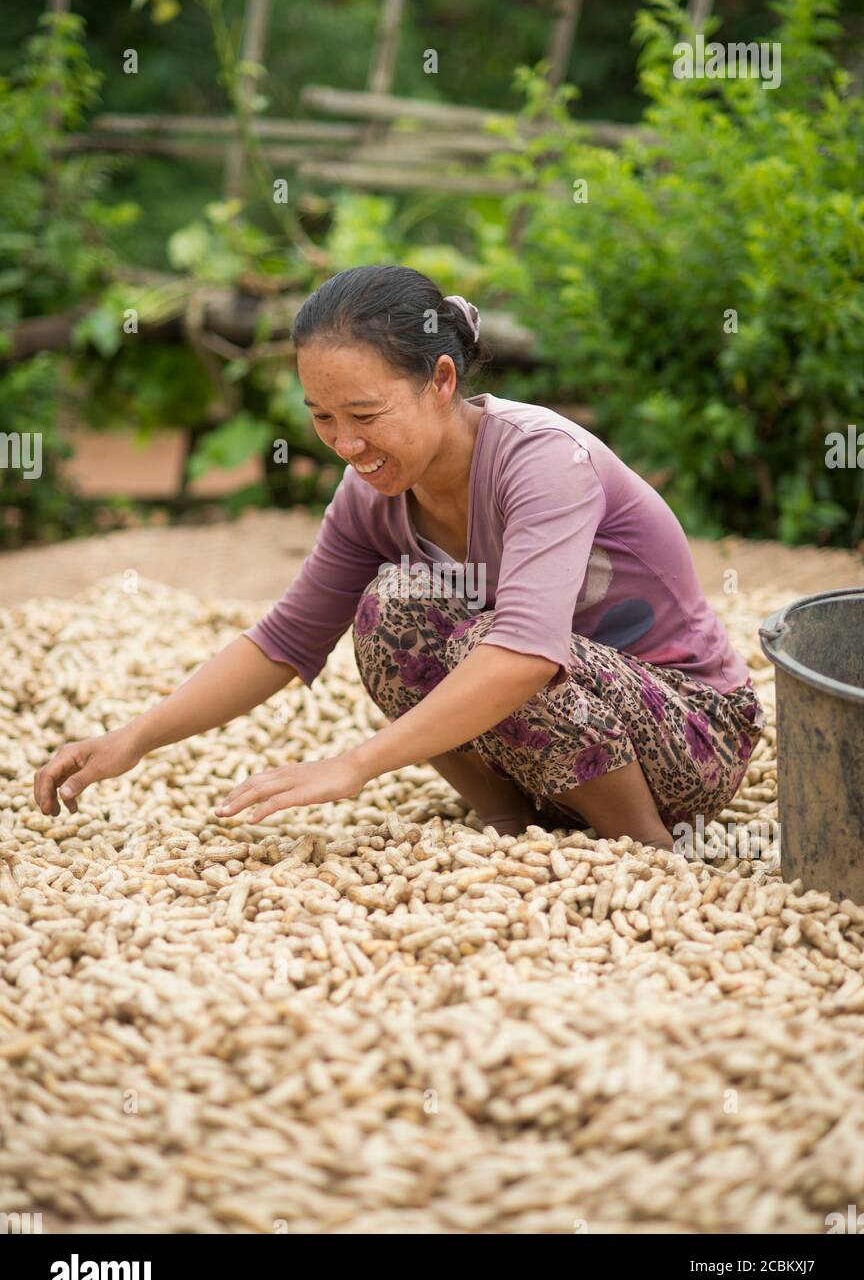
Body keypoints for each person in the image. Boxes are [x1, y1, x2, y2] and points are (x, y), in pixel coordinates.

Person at [34, 264, 765, 849]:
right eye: (321, 418)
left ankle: (644, 847)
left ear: (441, 381)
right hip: (569, 733)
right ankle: (516, 830)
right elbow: (284, 640)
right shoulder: (370, 494)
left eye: (364, 416)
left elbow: (526, 655)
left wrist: (355, 764)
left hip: (691, 735)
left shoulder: (540, 461)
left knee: (498, 645)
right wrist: (135, 737)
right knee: (393, 611)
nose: (346, 445)